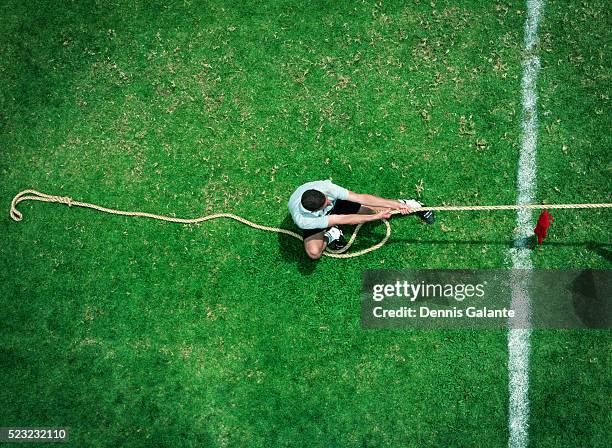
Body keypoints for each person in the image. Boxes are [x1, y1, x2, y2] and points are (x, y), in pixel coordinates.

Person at [287, 179, 435, 260]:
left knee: (372, 208)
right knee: (314, 253)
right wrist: (374, 218)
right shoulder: (304, 220)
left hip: (331, 213)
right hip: (322, 220)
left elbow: (361, 197)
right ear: (317, 209)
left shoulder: (326, 188)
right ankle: (333, 234)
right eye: (326, 204)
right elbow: (344, 219)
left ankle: (411, 203)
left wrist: (395, 205)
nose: (330, 202)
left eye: (327, 200)